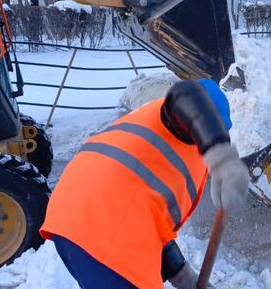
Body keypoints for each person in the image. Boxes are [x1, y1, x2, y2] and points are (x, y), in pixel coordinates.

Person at [40, 79, 249, 289]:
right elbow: (187, 95)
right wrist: (222, 157)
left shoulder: (159, 145)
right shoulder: (173, 118)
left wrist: (183, 276)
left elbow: (150, 220)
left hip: (71, 220)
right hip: (101, 232)